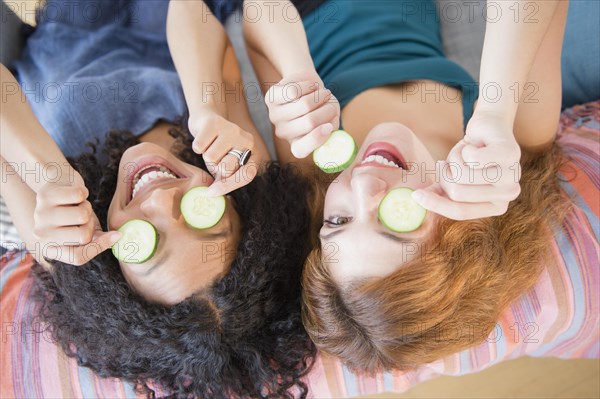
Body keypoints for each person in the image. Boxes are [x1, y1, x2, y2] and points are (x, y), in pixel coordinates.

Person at [0, 0, 315, 397]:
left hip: (72, 25)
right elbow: (193, 11)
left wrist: (45, 174)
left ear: (116, 275)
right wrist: (207, 109)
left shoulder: (65, 249)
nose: (160, 200)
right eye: (201, 216)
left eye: (145, 243)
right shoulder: (239, 171)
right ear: (236, 208)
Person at [241, 0, 572, 372]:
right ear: (462, 237)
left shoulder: (313, 167)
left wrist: (296, 74)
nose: (364, 183)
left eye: (337, 222)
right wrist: (496, 111)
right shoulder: (507, 152)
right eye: (395, 220)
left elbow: (257, 13)